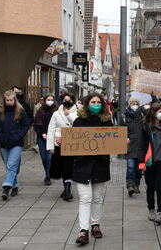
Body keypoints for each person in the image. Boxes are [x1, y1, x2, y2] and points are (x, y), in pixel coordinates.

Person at [72, 92, 113, 245]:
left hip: (100, 165)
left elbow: (113, 139)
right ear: (87, 104)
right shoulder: (79, 121)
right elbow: (72, 141)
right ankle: (83, 231)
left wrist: (123, 141)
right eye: (93, 102)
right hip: (82, 164)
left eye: (98, 102)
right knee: (85, 198)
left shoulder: (107, 121)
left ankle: (95, 225)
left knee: (97, 198)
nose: (96, 104)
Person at [0, 90, 31, 200]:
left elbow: (26, 124)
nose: (9, 102)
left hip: (16, 143)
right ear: (4, 100)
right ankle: (15, 185)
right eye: (7, 100)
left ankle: (6, 187)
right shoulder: (0, 111)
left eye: (11, 100)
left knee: (11, 164)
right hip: (3, 142)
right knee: (9, 165)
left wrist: (19, 135)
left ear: (15, 100)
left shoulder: (20, 110)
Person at [47, 94, 78, 201]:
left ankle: (68, 189)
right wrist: (50, 145)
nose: (67, 102)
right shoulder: (56, 114)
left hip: (72, 145)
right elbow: (51, 129)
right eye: (65, 100)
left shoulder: (78, 113)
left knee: (68, 166)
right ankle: (66, 188)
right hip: (58, 144)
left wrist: (69, 114)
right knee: (61, 167)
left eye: (69, 100)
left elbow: (79, 126)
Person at [143, 102, 161, 225]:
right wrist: (141, 164)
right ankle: (151, 209)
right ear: (154, 113)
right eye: (160, 112)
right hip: (149, 162)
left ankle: (160, 212)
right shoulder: (146, 127)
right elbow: (141, 146)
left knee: (160, 187)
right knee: (150, 187)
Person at [125, 96, 147, 197]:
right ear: (129, 105)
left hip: (141, 146)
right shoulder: (124, 116)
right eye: (132, 104)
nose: (134, 106)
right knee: (130, 167)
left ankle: (136, 184)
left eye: (136, 104)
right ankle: (130, 185)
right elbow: (120, 130)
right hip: (130, 146)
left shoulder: (143, 115)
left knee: (139, 168)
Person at [33, 94, 56, 185]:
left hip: (52, 138)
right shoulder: (40, 111)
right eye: (48, 99)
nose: (50, 101)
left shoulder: (57, 111)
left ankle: (48, 176)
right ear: (45, 100)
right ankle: (47, 172)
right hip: (41, 137)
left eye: (51, 99)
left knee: (49, 158)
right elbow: (36, 125)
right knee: (43, 157)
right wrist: (42, 133)